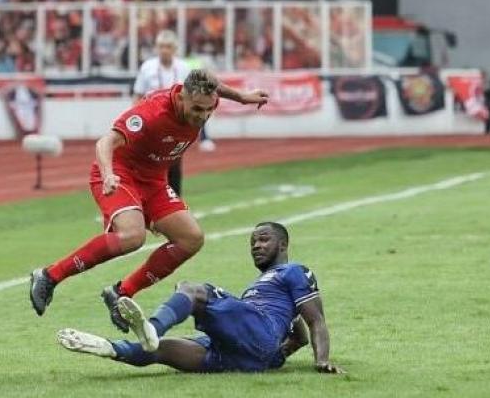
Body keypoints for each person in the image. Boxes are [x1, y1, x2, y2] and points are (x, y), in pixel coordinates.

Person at [30, 70, 269, 333]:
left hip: (154, 181)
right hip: (120, 174)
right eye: (197, 109)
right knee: (132, 237)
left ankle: (121, 293)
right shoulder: (151, 113)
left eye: (208, 110)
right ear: (181, 97)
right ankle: (49, 276)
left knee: (191, 238)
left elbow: (216, 87)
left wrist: (243, 97)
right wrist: (109, 175)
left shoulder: (205, 97)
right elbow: (105, 142)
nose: (203, 116)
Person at [57, 222, 344, 375]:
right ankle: (109, 347)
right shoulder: (262, 288)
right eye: (253, 242)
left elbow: (315, 320)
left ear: (283, 244)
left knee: (193, 290)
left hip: (259, 332)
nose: (256, 245)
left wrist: (322, 360)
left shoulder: (294, 271)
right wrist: (273, 357)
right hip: (247, 354)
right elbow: (300, 336)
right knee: (161, 350)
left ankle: (152, 328)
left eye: (264, 239)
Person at [132, 30, 212, 196]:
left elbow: (193, 95)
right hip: (152, 123)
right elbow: (138, 95)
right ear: (156, 48)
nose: (164, 50)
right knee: (149, 165)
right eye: (161, 46)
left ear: (174, 49)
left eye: (168, 47)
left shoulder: (183, 67)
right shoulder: (147, 67)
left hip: (175, 123)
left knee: (173, 165)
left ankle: (174, 203)